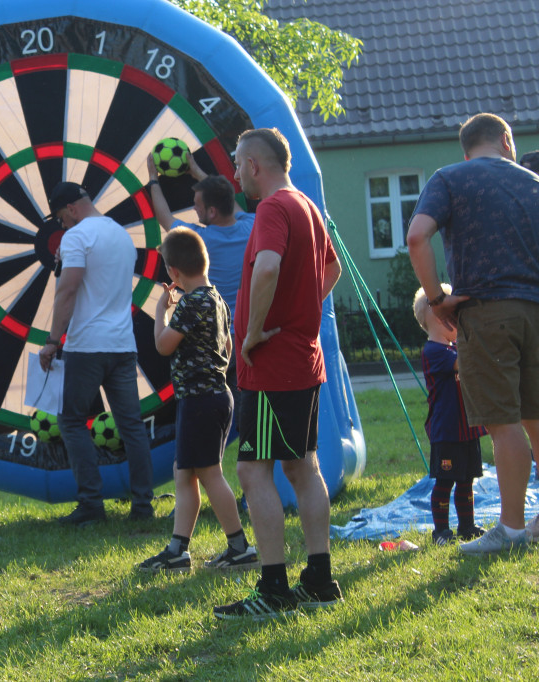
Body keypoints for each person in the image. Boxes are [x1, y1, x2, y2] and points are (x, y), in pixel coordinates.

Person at [214, 128, 343, 620]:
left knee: (252, 470)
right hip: (303, 359)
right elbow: (331, 270)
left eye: (236, 163)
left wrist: (257, 332)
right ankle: (319, 579)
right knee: (302, 467)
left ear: (253, 165)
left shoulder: (271, 208)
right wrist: (302, 312)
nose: (233, 173)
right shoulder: (306, 205)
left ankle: (273, 589)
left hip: (271, 365)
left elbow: (267, 268)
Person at [406, 113, 539, 553]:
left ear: (466, 150)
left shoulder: (450, 178)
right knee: (537, 419)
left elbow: (417, 237)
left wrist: (435, 297)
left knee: (503, 424)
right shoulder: (532, 182)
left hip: (485, 313)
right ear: (507, 141)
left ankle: (513, 529)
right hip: (536, 309)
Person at [137, 227, 257, 574]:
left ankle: (239, 546)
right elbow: (229, 348)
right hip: (214, 397)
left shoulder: (191, 303)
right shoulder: (216, 298)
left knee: (207, 474)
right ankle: (178, 550)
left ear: (173, 272)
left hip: (201, 401)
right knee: (184, 474)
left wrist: (162, 310)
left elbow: (162, 345)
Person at [39, 181, 155, 526]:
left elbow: (68, 291)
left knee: (71, 421)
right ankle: (143, 507)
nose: (61, 225)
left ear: (72, 208)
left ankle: (91, 504)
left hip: (86, 346)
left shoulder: (76, 238)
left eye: (61, 217)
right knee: (132, 427)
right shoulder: (121, 235)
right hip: (123, 344)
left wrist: (52, 340)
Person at [148, 152, 254, 437]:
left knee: (213, 425)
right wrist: (197, 172)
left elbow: (165, 218)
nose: (194, 211)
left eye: (197, 206)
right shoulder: (252, 226)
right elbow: (225, 200)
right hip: (245, 338)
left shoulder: (202, 239)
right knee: (246, 419)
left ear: (211, 212)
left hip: (214, 344)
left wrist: (153, 179)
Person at [413, 284, 486, 545]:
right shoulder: (434, 352)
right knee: (445, 482)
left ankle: (467, 526)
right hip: (447, 431)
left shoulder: (452, 348)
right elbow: (464, 363)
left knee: (466, 481)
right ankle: (441, 531)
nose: (460, 322)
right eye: (456, 316)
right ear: (439, 318)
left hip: (467, 428)